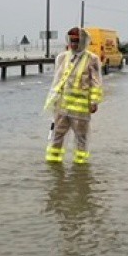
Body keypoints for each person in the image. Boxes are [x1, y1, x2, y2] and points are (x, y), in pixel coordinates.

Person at [44, 27, 103, 164]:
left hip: (81, 108)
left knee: (81, 138)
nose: (73, 44)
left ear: (83, 42)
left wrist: (94, 102)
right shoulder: (63, 57)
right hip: (62, 106)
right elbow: (57, 81)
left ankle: (80, 166)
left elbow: (96, 83)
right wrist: (53, 99)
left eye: (76, 41)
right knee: (57, 135)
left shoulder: (92, 59)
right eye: (71, 41)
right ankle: (53, 164)